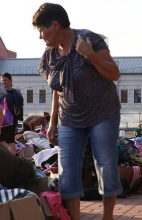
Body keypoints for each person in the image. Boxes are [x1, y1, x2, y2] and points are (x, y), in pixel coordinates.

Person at [33, 3, 122, 219]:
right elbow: (58, 90)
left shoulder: (89, 40)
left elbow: (114, 73)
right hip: (69, 117)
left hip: (102, 113)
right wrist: (53, 122)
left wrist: (90, 55)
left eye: (41, 30)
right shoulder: (50, 56)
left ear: (55, 25)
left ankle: (107, 217)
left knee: (106, 164)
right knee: (68, 171)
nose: (40, 37)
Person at [0, 72, 24, 154]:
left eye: (5, 80)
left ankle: (13, 161)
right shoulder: (0, 93)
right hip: (1, 121)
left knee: (10, 142)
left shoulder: (15, 92)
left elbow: (19, 106)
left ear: (10, 81)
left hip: (10, 122)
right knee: (0, 141)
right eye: (2, 80)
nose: (3, 82)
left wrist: (7, 96)